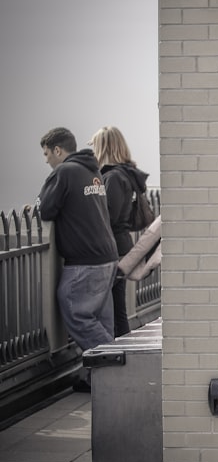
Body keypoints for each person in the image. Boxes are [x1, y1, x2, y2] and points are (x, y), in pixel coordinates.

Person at [37, 127, 119, 392]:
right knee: (100, 319)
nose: (46, 159)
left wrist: (36, 204)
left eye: (47, 153)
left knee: (75, 309)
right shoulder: (91, 170)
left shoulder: (64, 172)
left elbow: (47, 208)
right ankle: (95, 378)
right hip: (107, 255)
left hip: (85, 260)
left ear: (58, 150)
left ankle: (120, 367)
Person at [89, 126, 150, 337]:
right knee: (117, 308)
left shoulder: (113, 177)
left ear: (103, 147)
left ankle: (120, 357)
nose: (92, 151)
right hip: (121, 246)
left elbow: (109, 216)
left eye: (94, 145)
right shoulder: (126, 174)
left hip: (113, 247)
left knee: (113, 311)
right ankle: (123, 354)